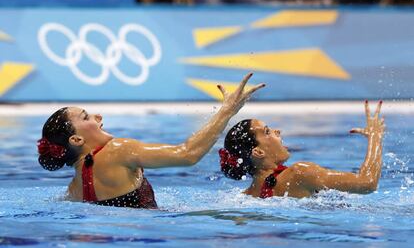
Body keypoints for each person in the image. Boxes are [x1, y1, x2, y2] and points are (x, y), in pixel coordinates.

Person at [37, 73, 265, 208]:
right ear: (76, 139)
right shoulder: (119, 150)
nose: (98, 116)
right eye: (86, 117)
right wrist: (227, 111)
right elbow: (187, 154)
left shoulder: (74, 189)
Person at [219, 101, 384, 198]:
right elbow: (367, 183)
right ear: (258, 152)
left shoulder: (246, 196)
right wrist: (375, 137)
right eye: (267, 131)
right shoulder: (300, 173)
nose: (278, 131)